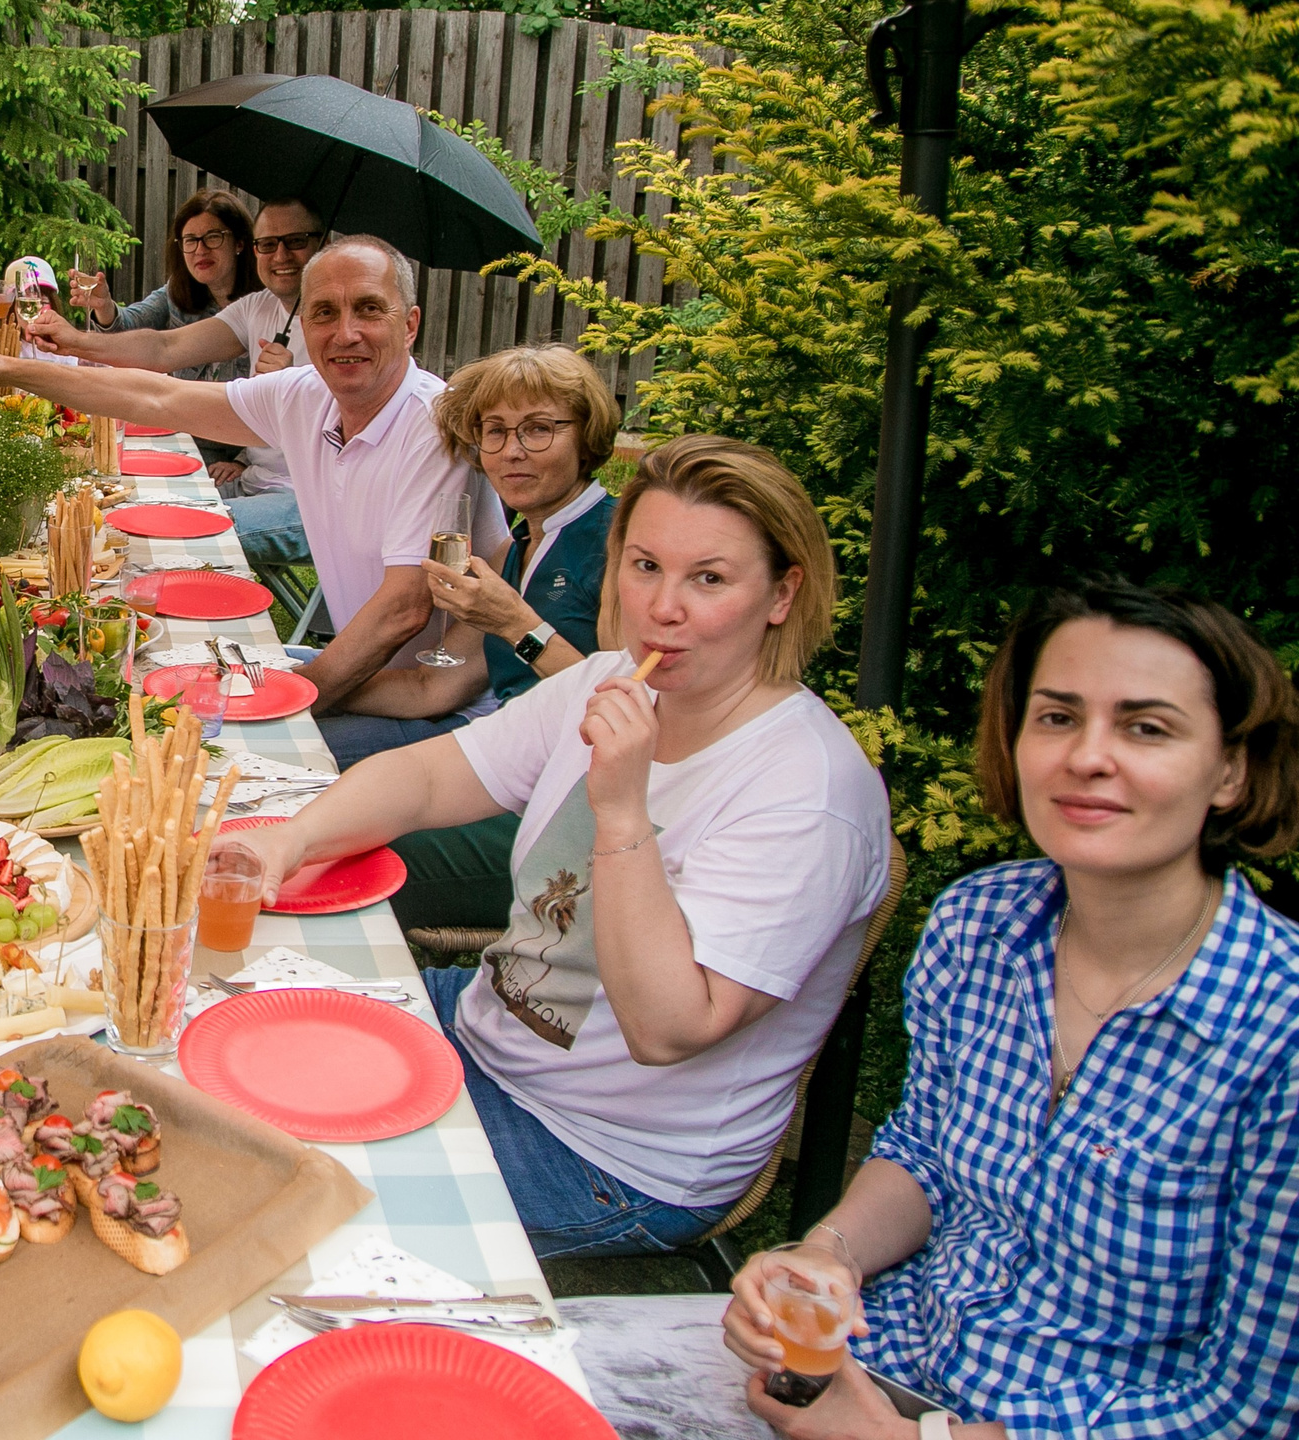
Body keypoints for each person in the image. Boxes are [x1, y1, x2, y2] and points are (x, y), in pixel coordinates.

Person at [224, 436, 889, 1258]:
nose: (664, 607)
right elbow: (432, 778)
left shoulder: (807, 794)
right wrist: (292, 840)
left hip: (604, 1153)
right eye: (645, 566)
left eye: (708, 579)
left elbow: (668, 1028)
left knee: (261, 1196)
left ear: (782, 594)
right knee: (229, 1037)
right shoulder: (613, 678)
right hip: (485, 1028)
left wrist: (621, 814)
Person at [723, 581, 1299, 1438]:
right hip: (885, 1367)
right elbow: (921, 1153)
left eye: (1146, 727)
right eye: (1058, 717)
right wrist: (825, 1258)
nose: (1086, 756)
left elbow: (1249, 1409)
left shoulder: (1277, 1029)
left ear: (1231, 770)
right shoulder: (980, 924)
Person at [0, 236, 506, 717]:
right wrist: (7, 368)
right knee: (150, 682)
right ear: (304, 324)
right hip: (369, 676)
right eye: (325, 313)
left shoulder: (433, 424)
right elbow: (157, 395)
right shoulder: (308, 395)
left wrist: (292, 702)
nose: (346, 332)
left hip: (437, 706)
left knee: (191, 742)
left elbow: (404, 610)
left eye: (368, 309)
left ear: (409, 325)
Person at [325, 346, 621, 932]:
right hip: (499, 759)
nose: (512, 450)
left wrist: (517, 625)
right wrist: (304, 695)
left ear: (586, 438)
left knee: (347, 856)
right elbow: (434, 687)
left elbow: (620, 711)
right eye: (495, 431)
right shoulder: (518, 549)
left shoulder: (619, 547)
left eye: (539, 429)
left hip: (571, 808)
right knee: (301, 759)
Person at [38, 198, 328, 569]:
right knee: (136, 510)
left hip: (307, 498)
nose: (281, 255)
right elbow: (164, 347)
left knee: (164, 538)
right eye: (268, 244)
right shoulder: (258, 307)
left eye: (296, 241)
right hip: (254, 478)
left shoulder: (342, 327)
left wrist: (297, 383)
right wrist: (74, 339)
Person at [67, 189, 264, 478]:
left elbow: (278, 400)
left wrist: (244, 461)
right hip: (179, 442)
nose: (200, 250)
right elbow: (131, 327)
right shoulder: (178, 292)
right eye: (190, 240)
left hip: (234, 460)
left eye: (213, 237)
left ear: (240, 243)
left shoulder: (265, 308)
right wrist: (104, 306)